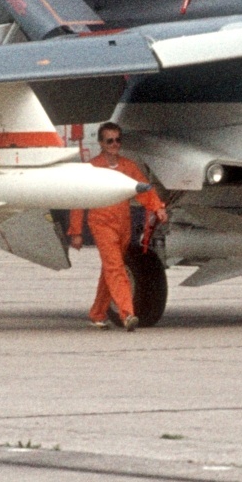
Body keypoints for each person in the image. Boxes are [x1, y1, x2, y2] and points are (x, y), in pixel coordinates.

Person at [67, 122, 167, 330]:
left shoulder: (128, 166)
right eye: (109, 141)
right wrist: (76, 231)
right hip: (101, 222)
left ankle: (97, 313)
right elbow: (79, 199)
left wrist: (158, 207)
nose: (114, 144)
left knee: (110, 269)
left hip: (123, 223)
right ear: (101, 143)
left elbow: (143, 189)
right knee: (115, 267)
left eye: (117, 140)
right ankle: (127, 313)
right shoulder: (92, 168)